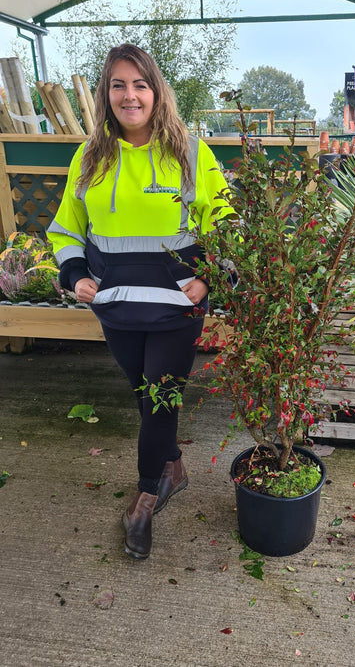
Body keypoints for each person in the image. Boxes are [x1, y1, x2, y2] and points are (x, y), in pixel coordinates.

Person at [48, 43, 231, 560]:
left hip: (177, 307)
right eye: (118, 85)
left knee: (159, 399)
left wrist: (212, 279)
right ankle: (173, 464)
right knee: (143, 393)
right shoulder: (88, 156)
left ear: (157, 91)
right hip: (117, 307)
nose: (130, 95)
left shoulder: (192, 153)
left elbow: (228, 225)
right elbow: (66, 227)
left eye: (140, 84)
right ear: (107, 95)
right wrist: (75, 272)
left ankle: (147, 497)